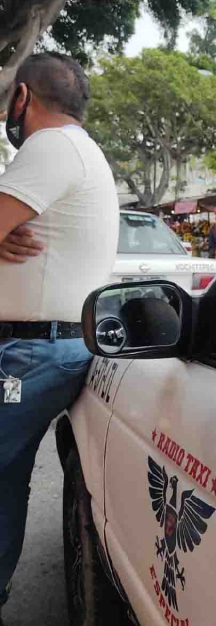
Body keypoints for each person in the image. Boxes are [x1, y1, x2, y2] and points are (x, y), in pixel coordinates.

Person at [0, 52, 119, 614]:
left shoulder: (50, 146)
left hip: (30, 350)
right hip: (47, 346)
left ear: (23, 96)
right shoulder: (81, 149)